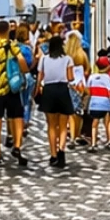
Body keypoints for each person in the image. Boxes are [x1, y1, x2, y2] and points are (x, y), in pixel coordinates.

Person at [0, 19, 29, 167]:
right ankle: (17, 146)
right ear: (9, 30)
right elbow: (22, 61)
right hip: (11, 88)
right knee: (17, 117)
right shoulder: (13, 46)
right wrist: (24, 71)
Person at [36, 33, 79, 168]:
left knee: (51, 125)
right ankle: (61, 151)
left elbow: (40, 77)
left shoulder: (44, 59)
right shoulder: (67, 59)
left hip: (49, 90)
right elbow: (70, 78)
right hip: (62, 90)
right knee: (63, 125)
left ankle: (53, 154)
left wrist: (36, 90)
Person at [87, 55, 110, 149]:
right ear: (107, 66)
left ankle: (93, 144)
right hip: (105, 102)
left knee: (94, 123)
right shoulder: (107, 78)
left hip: (94, 102)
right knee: (108, 121)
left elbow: (88, 89)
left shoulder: (92, 77)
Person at [64, 30, 90, 147]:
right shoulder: (82, 53)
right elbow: (87, 70)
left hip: (68, 84)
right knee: (79, 111)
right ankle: (77, 134)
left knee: (69, 111)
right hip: (80, 85)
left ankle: (71, 134)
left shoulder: (65, 54)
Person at [15, 23, 37, 127]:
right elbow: (31, 64)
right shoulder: (26, 49)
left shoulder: (14, 47)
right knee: (26, 100)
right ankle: (25, 121)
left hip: (14, 76)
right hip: (26, 76)